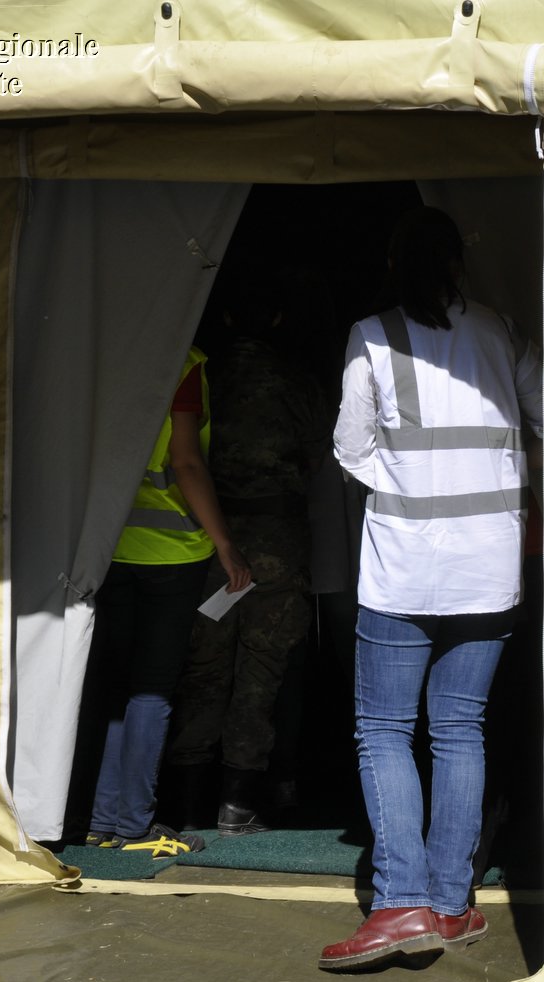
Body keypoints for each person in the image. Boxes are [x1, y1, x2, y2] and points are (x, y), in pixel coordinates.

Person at [319, 207, 542, 971]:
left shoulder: (370, 335)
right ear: (458, 262)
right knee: (460, 730)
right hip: (489, 567)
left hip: (405, 566)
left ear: (393, 262)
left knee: (384, 730)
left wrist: (411, 490)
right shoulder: (503, 329)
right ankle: (450, 904)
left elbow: (351, 449)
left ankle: (397, 902)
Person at [166, 282, 325, 835]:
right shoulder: (297, 380)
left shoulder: (202, 374)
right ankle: (238, 805)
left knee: (204, 665)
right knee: (262, 669)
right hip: (278, 539)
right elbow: (320, 455)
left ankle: (185, 802)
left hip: (208, 535)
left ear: (227, 316)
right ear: (279, 317)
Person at [82, 344, 251, 857]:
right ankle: (135, 826)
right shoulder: (180, 360)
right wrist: (225, 544)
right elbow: (185, 462)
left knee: (112, 689)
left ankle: (102, 822)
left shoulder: (98, 352)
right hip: (171, 550)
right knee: (151, 690)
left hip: (107, 546)